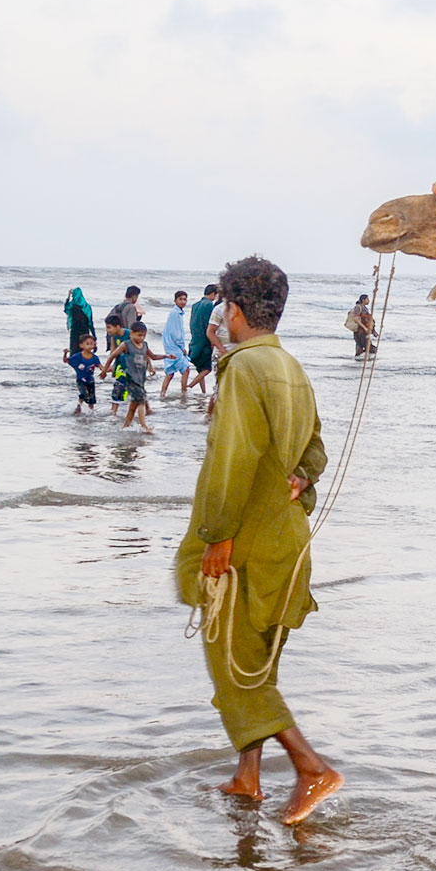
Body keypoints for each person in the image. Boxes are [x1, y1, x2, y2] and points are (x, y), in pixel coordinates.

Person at [174, 254, 341, 826]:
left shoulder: (244, 369)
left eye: (224, 306)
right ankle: (247, 778)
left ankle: (310, 767)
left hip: (246, 542)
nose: (220, 316)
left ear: (237, 309)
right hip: (286, 544)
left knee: (232, 667)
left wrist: (216, 538)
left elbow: (231, 462)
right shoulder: (290, 366)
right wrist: (299, 478)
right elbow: (316, 449)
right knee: (255, 664)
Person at [102, 320, 162, 430]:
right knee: (141, 400)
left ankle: (125, 426)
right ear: (131, 334)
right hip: (130, 377)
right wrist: (105, 370)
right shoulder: (126, 345)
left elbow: (152, 356)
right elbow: (112, 356)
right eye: (139, 335)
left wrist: (166, 356)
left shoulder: (144, 345)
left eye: (144, 336)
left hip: (140, 378)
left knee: (133, 405)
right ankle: (144, 426)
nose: (142, 338)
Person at [162, 292, 197, 399]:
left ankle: (162, 394)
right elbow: (176, 333)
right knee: (186, 369)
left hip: (170, 345)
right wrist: (182, 347)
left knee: (170, 372)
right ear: (175, 300)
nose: (183, 302)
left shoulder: (177, 313)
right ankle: (183, 392)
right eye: (180, 299)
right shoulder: (175, 314)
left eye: (185, 299)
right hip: (174, 345)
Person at [189, 283, 219, 398]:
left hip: (194, 340)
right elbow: (209, 325)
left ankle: (203, 392)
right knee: (207, 369)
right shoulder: (209, 305)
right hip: (204, 341)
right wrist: (212, 342)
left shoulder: (195, 305)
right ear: (213, 294)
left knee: (200, 369)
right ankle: (189, 386)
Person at [65, 333, 101, 414]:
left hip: (91, 380)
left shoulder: (95, 358)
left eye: (92, 344)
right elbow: (67, 361)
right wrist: (65, 354)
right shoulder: (78, 356)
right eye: (87, 344)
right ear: (81, 345)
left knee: (91, 399)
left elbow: (100, 366)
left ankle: (91, 412)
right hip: (80, 380)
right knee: (83, 393)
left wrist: (106, 370)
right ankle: (79, 406)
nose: (90, 346)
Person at [106, 287, 143, 353]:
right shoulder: (131, 307)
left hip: (116, 337)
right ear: (134, 296)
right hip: (125, 338)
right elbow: (132, 325)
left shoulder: (118, 306)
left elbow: (108, 319)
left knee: (115, 356)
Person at [345, 294, 378, 360]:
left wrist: (373, 331)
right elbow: (356, 318)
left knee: (364, 347)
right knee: (368, 348)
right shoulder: (358, 307)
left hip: (364, 331)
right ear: (363, 300)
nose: (369, 301)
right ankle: (361, 361)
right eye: (367, 299)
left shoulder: (365, 308)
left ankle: (361, 360)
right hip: (360, 332)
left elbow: (368, 320)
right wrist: (364, 328)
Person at [65, 288, 96, 353]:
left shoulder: (72, 306)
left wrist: (68, 297)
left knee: (74, 352)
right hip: (84, 332)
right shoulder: (86, 307)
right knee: (84, 351)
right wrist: (94, 336)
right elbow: (90, 323)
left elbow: (66, 309)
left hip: (74, 332)